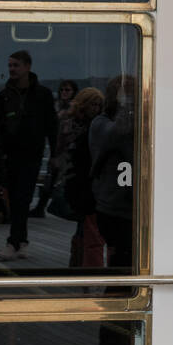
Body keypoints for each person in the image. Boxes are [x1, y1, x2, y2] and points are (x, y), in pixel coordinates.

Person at [0, 50, 57, 261]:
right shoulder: (4, 97)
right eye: (10, 65)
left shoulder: (43, 95)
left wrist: (55, 154)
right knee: (17, 199)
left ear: (27, 66)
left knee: (22, 198)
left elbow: (52, 126)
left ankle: (13, 242)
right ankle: (22, 242)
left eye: (16, 65)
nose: (11, 69)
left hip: (32, 155)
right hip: (9, 156)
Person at [89, 74, 136, 270]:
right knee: (121, 261)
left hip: (124, 205)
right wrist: (130, 105)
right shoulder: (101, 124)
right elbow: (118, 132)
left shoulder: (102, 123)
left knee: (126, 259)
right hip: (114, 207)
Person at [63, 87, 105, 267]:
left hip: (77, 180)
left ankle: (76, 264)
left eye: (98, 105)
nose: (95, 108)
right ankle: (90, 270)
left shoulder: (69, 123)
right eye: (92, 104)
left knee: (83, 228)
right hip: (83, 183)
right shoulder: (93, 127)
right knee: (91, 231)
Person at [30, 78, 79, 218]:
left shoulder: (75, 108)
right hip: (55, 145)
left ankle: (63, 207)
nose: (64, 92)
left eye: (67, 90)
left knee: (62, 178)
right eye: (62, 90)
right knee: (51, 177)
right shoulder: (56, 105)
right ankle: (41, 207)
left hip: (69, 148)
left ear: (73, 92)